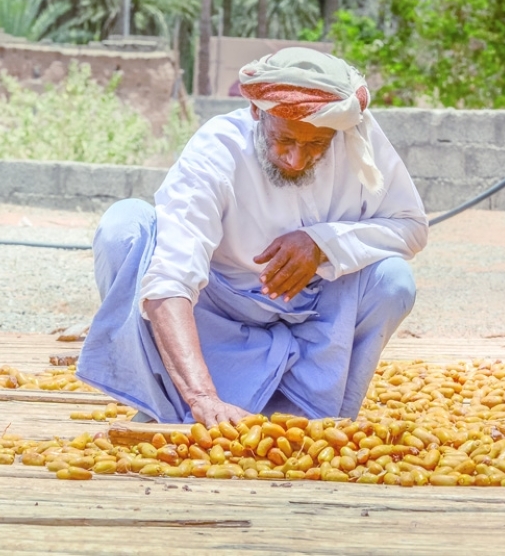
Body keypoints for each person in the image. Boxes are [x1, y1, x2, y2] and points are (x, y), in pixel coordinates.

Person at [76, 47, 428, 426]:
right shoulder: (217, 149)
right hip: (216, 315)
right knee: (124, 227)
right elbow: (172, 276)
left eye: (316, 145)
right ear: (257, 112)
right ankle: (171, 402)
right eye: (284, 140)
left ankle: (318, 414)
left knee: (393, 280)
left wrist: (324, 244)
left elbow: (411, 226)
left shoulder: (355, 139)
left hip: (313, 318)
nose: (296, 159)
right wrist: (202, 396)